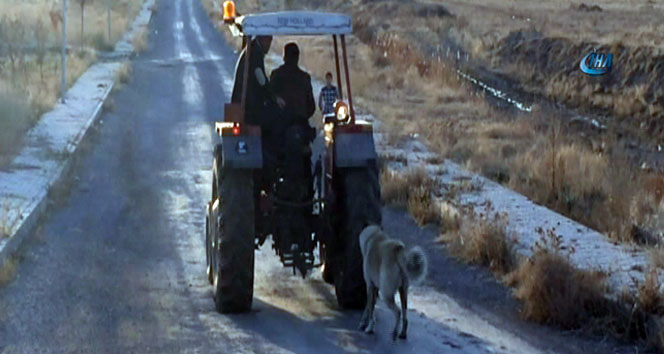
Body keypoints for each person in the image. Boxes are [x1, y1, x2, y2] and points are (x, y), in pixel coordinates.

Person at [269, 42, 316, 131]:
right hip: (300, 125)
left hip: (280, 127)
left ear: (284, 57)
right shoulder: (305, 77)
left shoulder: (276, 75)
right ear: (297, 58)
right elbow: (311, 107)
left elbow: (270, 99)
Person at [231, 35, 274, 128]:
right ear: (262, 38)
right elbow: (261, 80)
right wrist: (273, 97)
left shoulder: (252, 50)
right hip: (248, 107)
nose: (269, 44)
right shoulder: (255, 54)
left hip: (245, 103)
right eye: (268, 40)